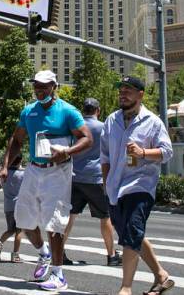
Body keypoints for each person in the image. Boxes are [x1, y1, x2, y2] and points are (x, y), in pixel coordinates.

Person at [0, 69, 93, 293]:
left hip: (58, 171)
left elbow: (87, 138)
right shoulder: (29, 111)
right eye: (36, 86)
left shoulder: (68, 111)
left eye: (44, 86)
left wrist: (67, 151)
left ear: (54, 87)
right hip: (34, 168)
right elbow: (17, 140)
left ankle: (59, 275)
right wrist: (4, 166)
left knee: (54, 222)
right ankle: (44, 253)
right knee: (23, 219)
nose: (39, 90)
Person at [101, 75, 174, 295]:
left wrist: (143, 153)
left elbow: (167, 151)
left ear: (140, 94)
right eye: (121, 90)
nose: (123, 93)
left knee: (132, 231)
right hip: (115, 188)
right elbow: (104, 156)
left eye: (128, 90)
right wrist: (106, 183)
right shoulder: (111, 120)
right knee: (132, 235)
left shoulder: (153, 121)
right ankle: (161, 275)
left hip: (140, 185)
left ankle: (126, 287)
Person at [63, 98, 121, 267]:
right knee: (105, 217)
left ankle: (60, 252)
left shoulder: (76, 127)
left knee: (69, 216)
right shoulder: (104, 127)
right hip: (96, 178)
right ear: (98, 110)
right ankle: (111, 255)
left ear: (84, 110)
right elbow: (111, 152)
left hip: (75, 176)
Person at [0, 155, 24, 263]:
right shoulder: (22, 174)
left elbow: (0, 185)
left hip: (8, 206)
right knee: (19, 230)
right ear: (20, 161)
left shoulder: (4, 174)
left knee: (11, 229)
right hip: (20, 206)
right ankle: (15, 255)